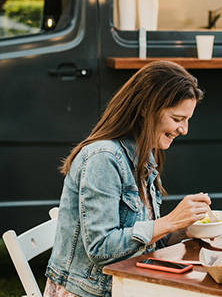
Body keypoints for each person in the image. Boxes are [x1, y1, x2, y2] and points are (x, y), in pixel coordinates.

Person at [44, 61, 211, 297]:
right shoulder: (104, 158)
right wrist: (170, 221)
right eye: (177, 119)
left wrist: (188, 226)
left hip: (130, 286)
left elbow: (146, 244)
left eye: (187, 119)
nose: (184, 129)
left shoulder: (143, 155)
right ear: (146, 109)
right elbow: (100, 247)